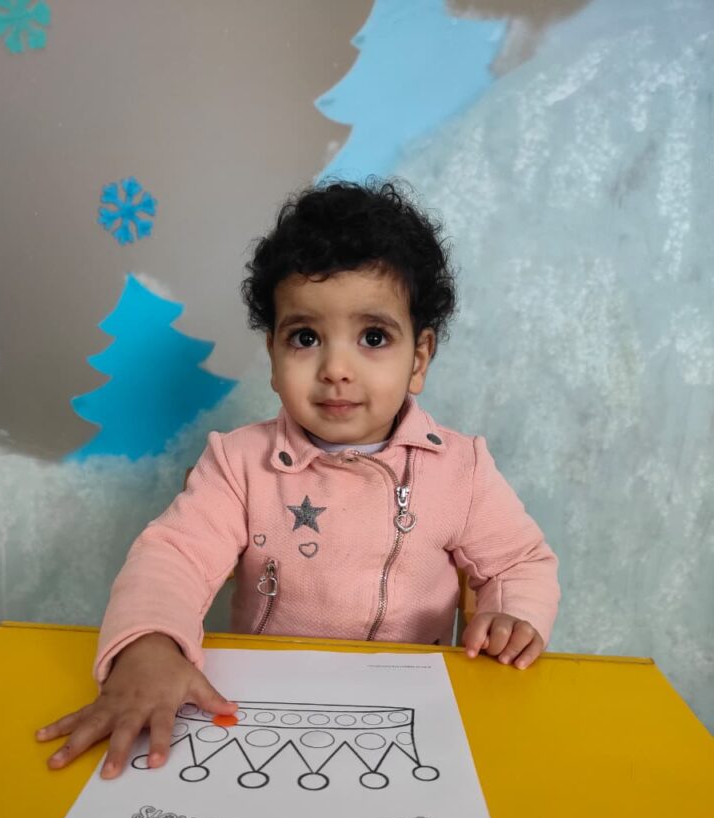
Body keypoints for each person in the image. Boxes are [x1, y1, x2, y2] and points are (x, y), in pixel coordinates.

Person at [37, 179, 559, 779]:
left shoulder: (460, 468)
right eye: (306, 338)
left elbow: (518, 562)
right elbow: (174, 555)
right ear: (273, 354)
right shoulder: (238, 463)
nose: (336, 368)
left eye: (373, 337)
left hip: (413, 711)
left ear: (418, 359)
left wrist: (510, 616)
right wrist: (149, 644)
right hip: (262, 707)